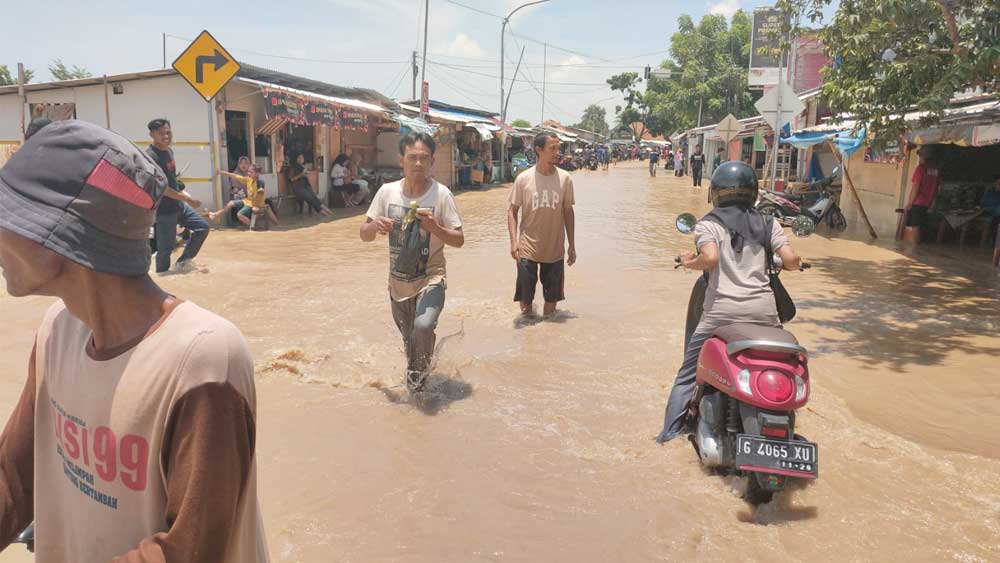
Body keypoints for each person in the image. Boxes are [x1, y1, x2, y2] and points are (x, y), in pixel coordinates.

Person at [0, 120, 268, 561]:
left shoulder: (201, 358)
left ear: (56, 237)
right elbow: (14, 476)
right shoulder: (57, 331)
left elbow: (188, 550)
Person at [656, 161, 802, 443]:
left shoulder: (708, 224)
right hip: (764, 314)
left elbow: (710, 258)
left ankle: (670, 435)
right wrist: (795, 262)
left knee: (688, 375)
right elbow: (791, 261)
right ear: (753, 192)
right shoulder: (769, 224)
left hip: (721, 314)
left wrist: (689, 262)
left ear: (716, 192)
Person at [360, 132, 464, 392]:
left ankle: (418, 387)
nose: (418, 163)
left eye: (424, 158)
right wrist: (375, 225)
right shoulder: (387, 192)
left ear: (432, 162)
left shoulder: (442, 195)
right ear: (401, 160)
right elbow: (364, 234)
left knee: (423, 325)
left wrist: (435, 227)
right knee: (411, 344)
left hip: (431, 277)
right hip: (398, 283)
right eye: (412, 157)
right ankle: (420, 381)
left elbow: (459, 239)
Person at [508, 132, 577, 318]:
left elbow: (568, 212)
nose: (557, 152)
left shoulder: (565, 179)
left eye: (558, 148)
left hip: (554, 249)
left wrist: (572, 245)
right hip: (527, 248)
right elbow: (512, 211)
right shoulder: (523, 179)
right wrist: (514, 242)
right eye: (552, 148)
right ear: (539, 150)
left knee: (551, 310)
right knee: (525, 307)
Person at [146, 118, 211, 274]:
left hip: (178, 205)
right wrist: (187, 199)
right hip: (163, 210)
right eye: (161, 133)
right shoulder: (150, 157)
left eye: (168, 132)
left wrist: (179, 186)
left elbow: (171, 178)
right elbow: (162, 188)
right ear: (152, 135)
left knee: (203, 227)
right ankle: (162, 278)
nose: (166, 136)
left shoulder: (169, 151)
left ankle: (182, 263)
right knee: (165, 250)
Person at [903, 148, 941, 243]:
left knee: (915, 225)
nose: (919, 158)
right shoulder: (936, 170)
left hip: (918, 202)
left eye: (920, 156)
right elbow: (938, 188)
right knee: (924, 226)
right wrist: (933, 204)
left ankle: (916, 247)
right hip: (928, 203)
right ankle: (922, 247)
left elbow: (916, 186)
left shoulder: (921, 168)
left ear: (923, 157)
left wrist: (910, 203)